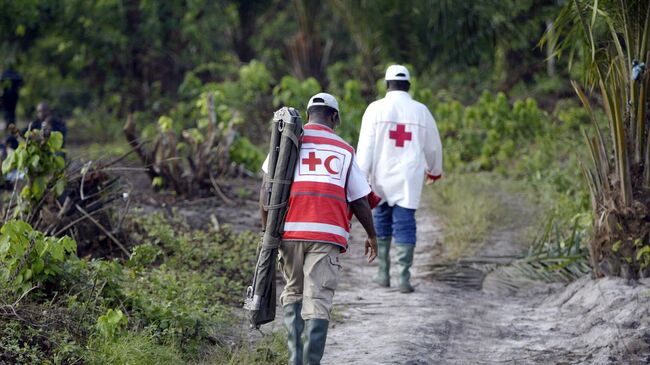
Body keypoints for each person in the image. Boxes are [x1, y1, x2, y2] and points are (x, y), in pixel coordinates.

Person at [260, 93, 378, 365]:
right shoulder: (344, 149)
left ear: (309, 114)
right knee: (318, 299)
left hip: (288, 232)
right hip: (326, 236)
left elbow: (265, 190)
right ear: (334, 118)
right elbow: (359, 200)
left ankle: (295, 360)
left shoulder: (286, 142)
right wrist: (372, 235)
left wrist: (269, 234)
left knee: (293, 292)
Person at [356, 64, 443, 293]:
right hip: (409, 177)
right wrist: (434, 170)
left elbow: (365, 148)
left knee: (381, 220)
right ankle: (404, 278)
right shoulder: (420, 111)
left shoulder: (375, 109)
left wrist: (360, 178)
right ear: (409, 85)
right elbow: (433, 146)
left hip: (380, 176)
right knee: (405, 223)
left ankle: (383, 274)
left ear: (386, 84)